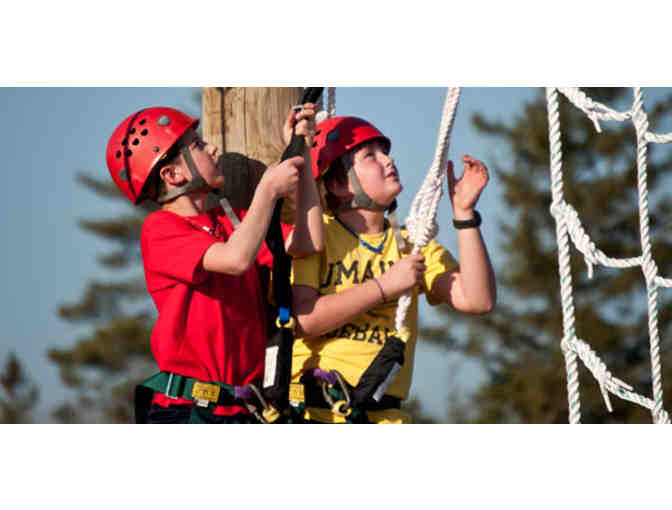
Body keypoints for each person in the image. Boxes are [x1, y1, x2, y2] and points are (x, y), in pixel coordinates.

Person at [106, 103, 323, 423]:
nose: (213, 147)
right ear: (173, 174)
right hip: (189, 410)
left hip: (245, 407)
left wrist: (300, 160)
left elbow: (308, 242)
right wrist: (267, 189)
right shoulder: (160, 229)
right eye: (198, 145)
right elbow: (236, 259)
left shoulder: (232, 222)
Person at [288, 116, 496, 423]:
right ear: (338, 183)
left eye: (384, 152)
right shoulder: (317, 236)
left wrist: (464, 214)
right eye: (370, 156)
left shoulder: (413, 244)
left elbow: (477, 299)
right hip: (314, 413)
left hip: (383, 416)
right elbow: (303, 320)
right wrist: (385, 285)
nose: (388, 160)